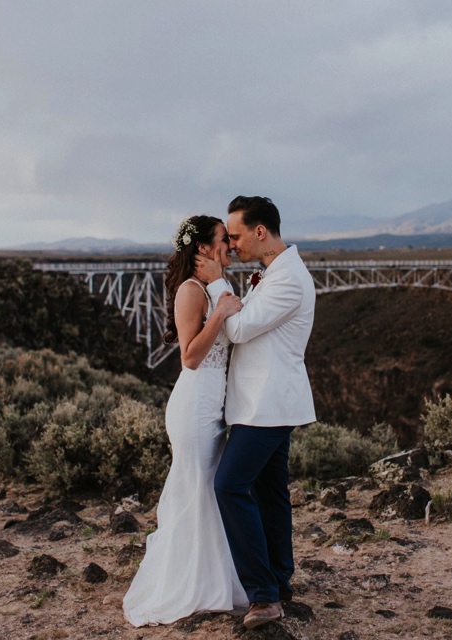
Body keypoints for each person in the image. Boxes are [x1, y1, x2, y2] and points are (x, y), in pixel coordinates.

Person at [195, 195, 316, 629]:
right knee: (270, 493)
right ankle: (280, 580)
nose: (232, 243)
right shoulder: (275, 273)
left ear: (260, 232)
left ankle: (264, 596)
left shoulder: (289, 280)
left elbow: (242, 327)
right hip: (263, 402)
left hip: (268, 405)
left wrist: (216, 286)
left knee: (229, 486)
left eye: (237, 235)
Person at [123, 215, 247, 627]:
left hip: (213, 406)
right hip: (194, 407)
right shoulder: (191, 292)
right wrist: (221, 313)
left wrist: (231, 300)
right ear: (204, 249)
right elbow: (190, 357)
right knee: (197, 490)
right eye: (223, 240)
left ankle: (213, 580)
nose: (230, 245)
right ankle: (192, 585)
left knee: (208, 492)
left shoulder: (215, 287)